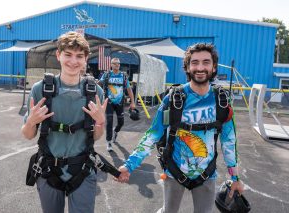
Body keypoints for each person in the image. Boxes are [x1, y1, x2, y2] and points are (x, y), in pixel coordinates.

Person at [116, 43, 244, 213]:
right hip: (174, 172)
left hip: (207, 174)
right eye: (195, 62)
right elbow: (154, 133)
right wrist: (130, 165)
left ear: (213, 67)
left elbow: (229, 141)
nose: (200, 67)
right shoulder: (173, 99)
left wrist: (235, 178)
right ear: (187, 67)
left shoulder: (221, 101)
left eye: (206, 62)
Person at [21, 31, 108, 213]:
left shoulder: (95, 92)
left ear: (86, 59)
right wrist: (30, 122)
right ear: (58, 55)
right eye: (68, 54)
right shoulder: (41, 90)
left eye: (79, 56)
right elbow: (29, 135)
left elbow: (96, 136)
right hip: (48, 170)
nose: (73, 61)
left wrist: (100, 122)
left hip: (82, 169)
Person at [98, 58, 135, 152]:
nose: (117, 65)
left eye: (118, 64)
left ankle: (116, 131)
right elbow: (98, 84)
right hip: (109, 102)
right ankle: (109, 141)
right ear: (111, 65)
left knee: (121, 122)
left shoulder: (123, 76)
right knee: (109, 121)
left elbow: (129, 89)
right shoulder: (107, 75)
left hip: (119, 102)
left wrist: (132, 102)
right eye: (115, 64)